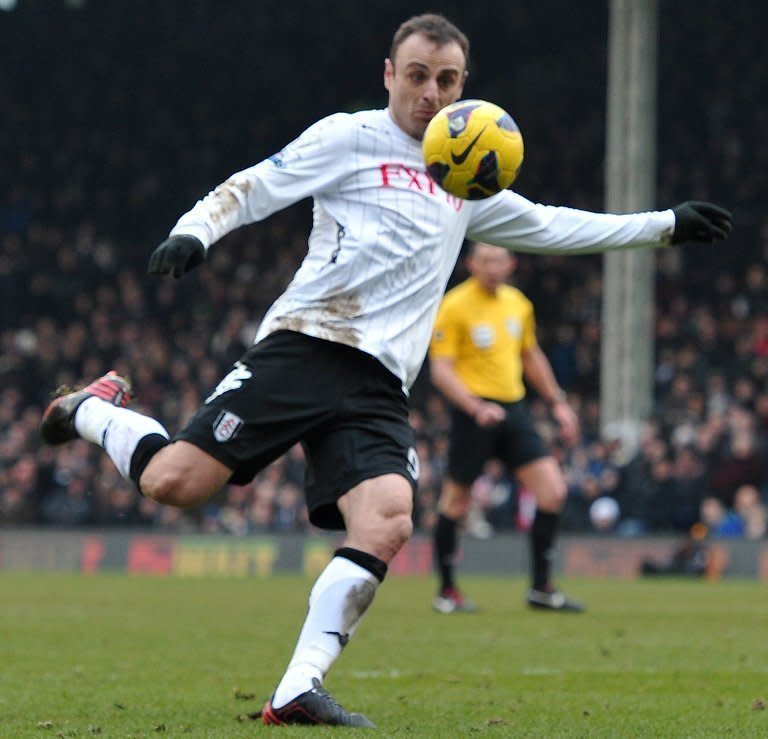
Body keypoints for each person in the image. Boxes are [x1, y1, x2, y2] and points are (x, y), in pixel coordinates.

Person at [40, 12, 733, 728]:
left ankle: (296, 688)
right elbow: (255, 185)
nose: (431, 93)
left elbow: (556, 225)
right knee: (175, 484)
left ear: (464, 86)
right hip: (306, 346)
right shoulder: (350, 136)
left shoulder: (468, 178)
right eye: (417, 76)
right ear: (388, 75)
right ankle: (91, 408)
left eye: (447, 80)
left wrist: (665, 225)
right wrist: (195, 229)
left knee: (389, 519)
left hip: (378, 387)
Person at [429, 242, 584, 614]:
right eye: (485, 260)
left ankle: (542, 588)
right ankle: (447, 592)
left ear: (511, 263)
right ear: (470, 264)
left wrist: (558, 403)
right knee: (455, 502)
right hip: (474, 411)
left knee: (553, 492)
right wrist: (474, 406)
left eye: (499, 259)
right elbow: (441, 370)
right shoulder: (454, 305)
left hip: (514, 408)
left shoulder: (518, 304)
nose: (492, 267)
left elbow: (530, 356)